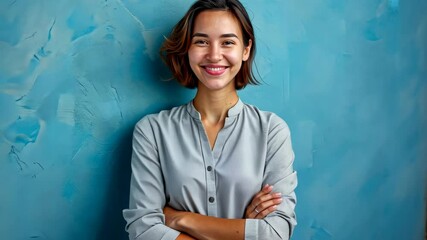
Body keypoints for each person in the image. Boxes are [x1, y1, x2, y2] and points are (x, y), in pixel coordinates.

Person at [122, 0, 297, 239]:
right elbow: (143, 231)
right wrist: (242, 229)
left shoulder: (272, 131)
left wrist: (181, 219)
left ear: (245, 50)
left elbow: (276, 233)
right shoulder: (152, 131)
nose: (214, 55)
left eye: (227, 42)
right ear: (187, 49)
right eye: (201, 41)